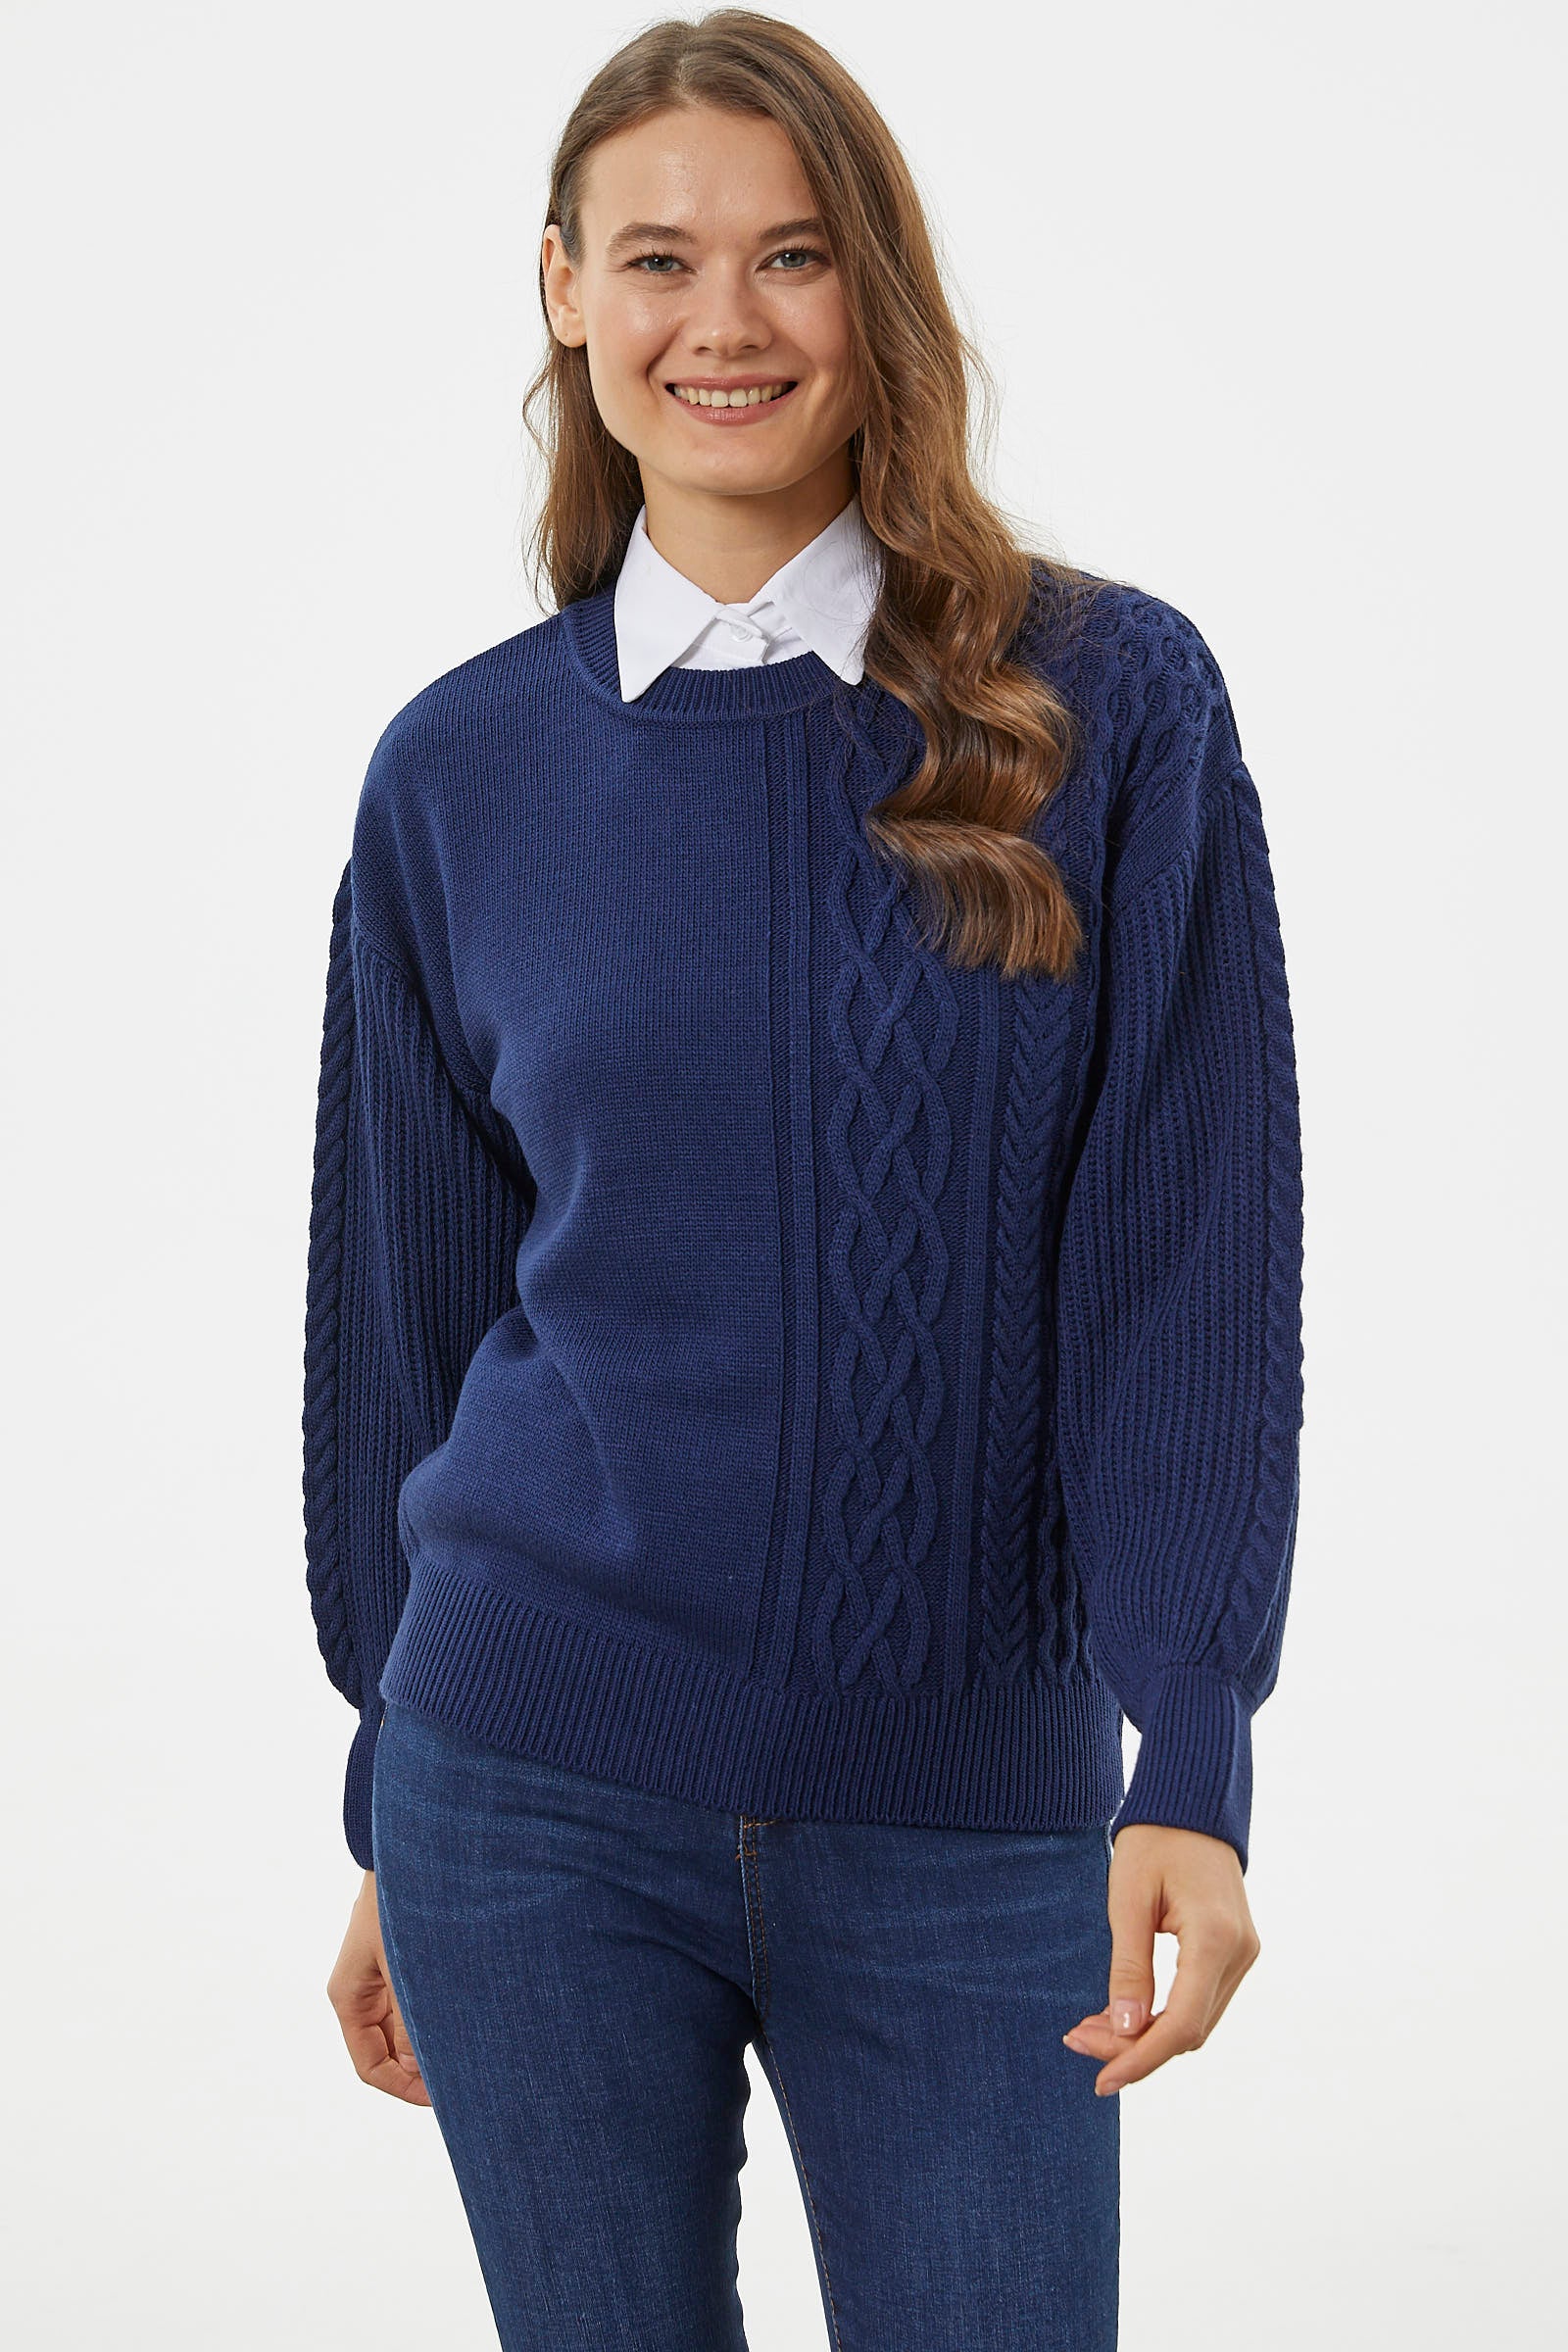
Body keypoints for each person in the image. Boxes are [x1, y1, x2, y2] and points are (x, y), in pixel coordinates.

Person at [302, 14, 1305, 2348]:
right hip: (518, 1797)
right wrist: (383, 1797)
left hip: (969, 1824)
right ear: (562, 290)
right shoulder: (456, 770)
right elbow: (407, 1328)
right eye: (657, 258)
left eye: (791, 255)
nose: (722, 321)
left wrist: (1192, 1746)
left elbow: (1183, 1261)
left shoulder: (1106, 705)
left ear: (876, 290)